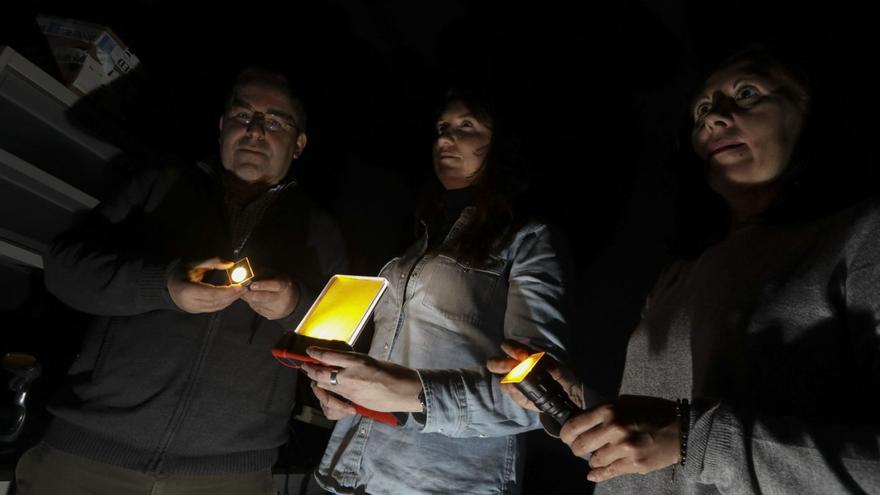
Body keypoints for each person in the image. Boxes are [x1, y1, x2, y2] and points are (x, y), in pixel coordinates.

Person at [492, 46, 880, 494]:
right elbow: (663, 432)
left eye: (747, 93)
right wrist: (577, 399)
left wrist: (692, 439)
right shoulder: (680, 275)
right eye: (701, 110)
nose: (714, 117)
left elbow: (683, 436)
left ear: (811, 111)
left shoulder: (862, 235)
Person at [15, 68, 347, 495]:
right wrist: (164, 285)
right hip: (86, 455)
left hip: (230, 475)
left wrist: (294, 306)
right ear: (221, 127)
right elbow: (64, 268)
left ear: (299, 143)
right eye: (242, 116)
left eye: (276, 121)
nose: (256, 130)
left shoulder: (321, 231)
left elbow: (343, 340)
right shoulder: (158, 187)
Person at [301, 90, 571, 494]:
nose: (446, 138)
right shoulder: (417, 246)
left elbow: (538, 399)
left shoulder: (526, 241)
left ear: (501, 144)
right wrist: (346, 390)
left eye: (467, 127)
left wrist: (408, 393)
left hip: (449, 479)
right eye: (442, 128)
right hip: (360, 469)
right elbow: (387, 360)